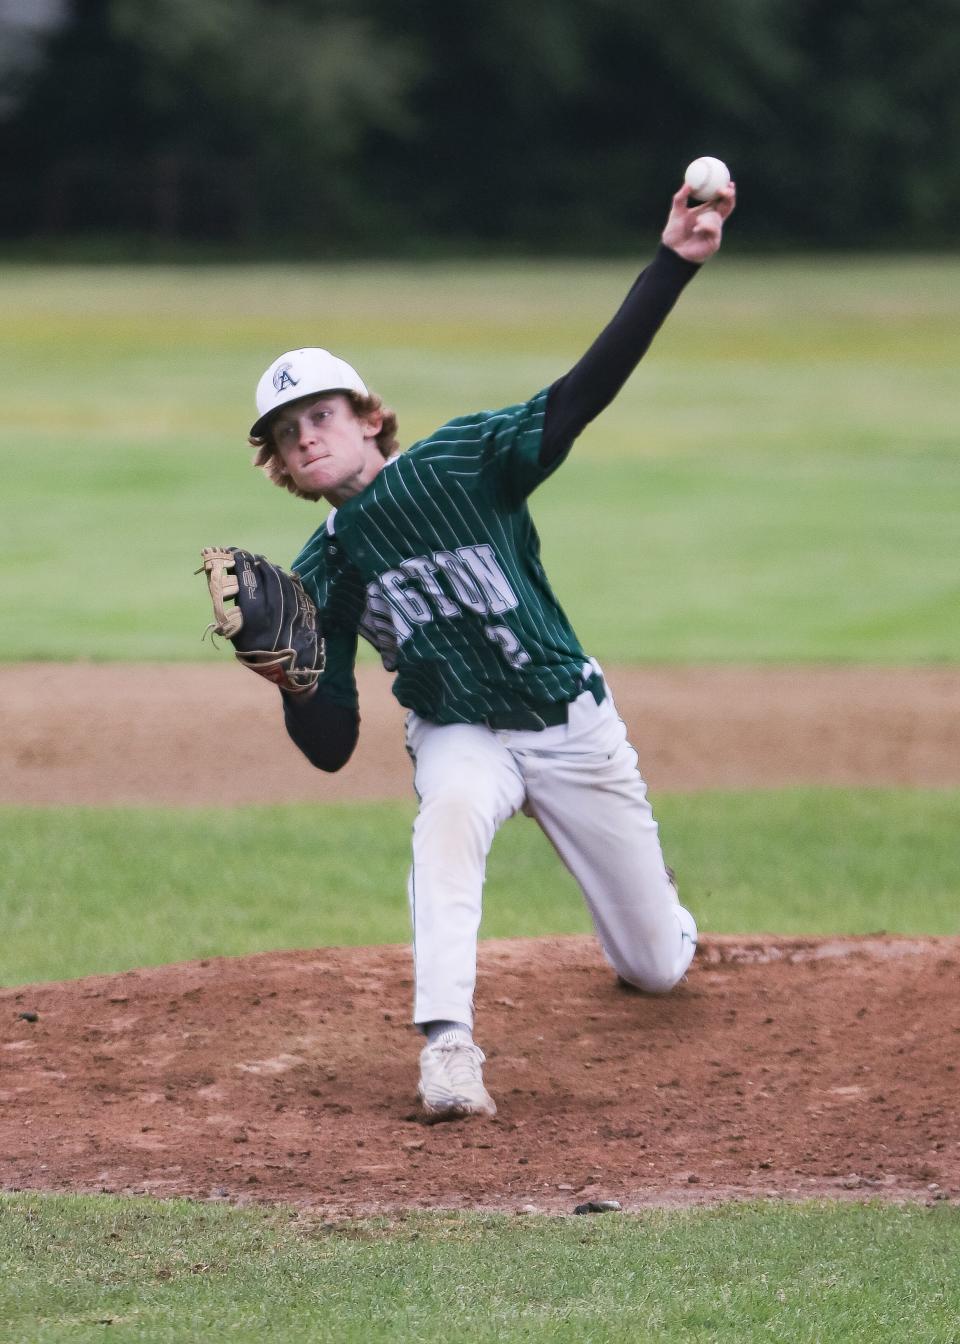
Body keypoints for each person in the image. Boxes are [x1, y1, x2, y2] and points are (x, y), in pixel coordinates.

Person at [246, 180, 736, 1120]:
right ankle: (448, 1051)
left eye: (320, 415)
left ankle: (661, 924)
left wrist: (673, 263)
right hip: (459, 729)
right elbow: (333, 743)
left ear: (365, 417)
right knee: (449, 815)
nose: (306, 437)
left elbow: (583, 393)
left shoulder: (465, 459)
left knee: (658, 968)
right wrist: (289, 675)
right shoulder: (322, 571)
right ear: (279, 465)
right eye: (286, 433)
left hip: (570, 720)